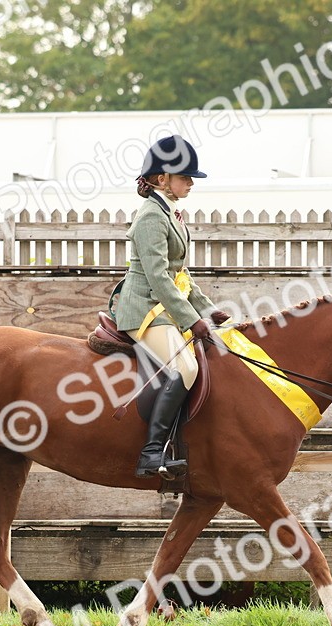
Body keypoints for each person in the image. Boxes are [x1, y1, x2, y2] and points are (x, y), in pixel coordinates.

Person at [109, 134, 230, 479]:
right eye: (185, 177)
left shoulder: (170, 212)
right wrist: (192, 320)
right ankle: (150, 453)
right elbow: (159, 278)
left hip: (161, 305)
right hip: (143, 308)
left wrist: (207, 310)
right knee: (185, 369)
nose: (191, 183)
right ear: (162, 179)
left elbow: (181, 274)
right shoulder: (150, 216)